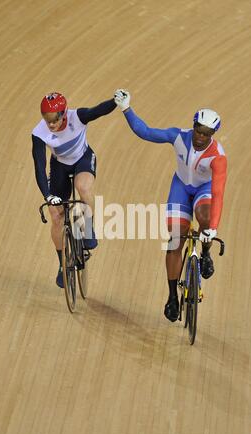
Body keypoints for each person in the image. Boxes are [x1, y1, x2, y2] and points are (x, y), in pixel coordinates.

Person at [114, 89, 227, 322]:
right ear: (193, 125)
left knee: (205, 217)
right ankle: (172, 296)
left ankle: (205, 252)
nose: (201, 136)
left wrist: (213, 227)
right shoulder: (178, 136)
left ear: (213, 134)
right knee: (176, 238)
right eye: (199, 129)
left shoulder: (218, 157)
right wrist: (126, 108)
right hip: (181, 187)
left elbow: (218, 192)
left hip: (203, 190)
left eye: (207, 133)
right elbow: (145, 132)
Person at [32, 92, 117, 288]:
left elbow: (98, 110)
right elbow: (39, 166)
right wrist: (48, 195)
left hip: (83, 159)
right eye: (46, 119)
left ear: (63, 113)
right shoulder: (38, 133)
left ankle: (88, 228)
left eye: (54, 119)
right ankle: (63, 263)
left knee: (83, 187)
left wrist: (115, 101)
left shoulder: (77, 117)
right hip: (60, 165)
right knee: (56, 215)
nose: (50, 124)